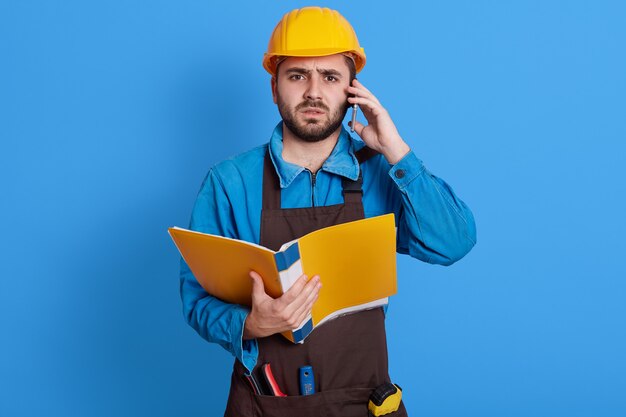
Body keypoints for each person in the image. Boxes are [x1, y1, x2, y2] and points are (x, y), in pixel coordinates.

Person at [179, 7, 476, 417]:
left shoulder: (382, 172)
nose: (313, 92)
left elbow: (455, 242)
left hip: (364, 404)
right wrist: (251, 325)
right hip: (266, 403)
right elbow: (196, 300)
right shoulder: (230, 182)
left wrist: (396, 151)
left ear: (352, 89)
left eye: (331, 77)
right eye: (298, 75)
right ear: (274, 88)